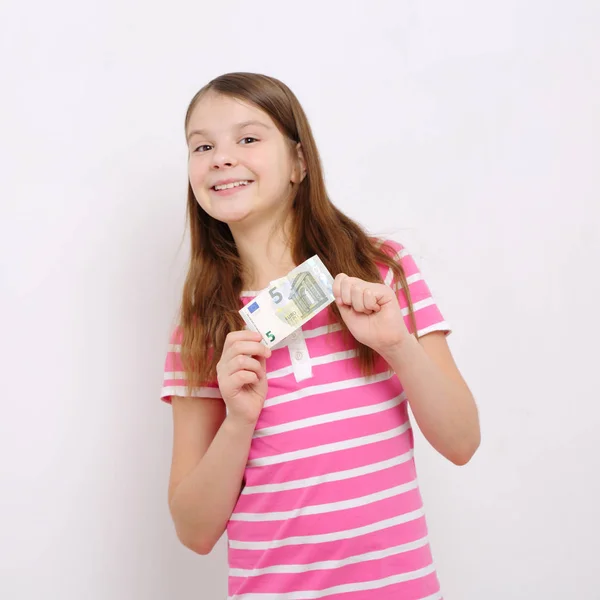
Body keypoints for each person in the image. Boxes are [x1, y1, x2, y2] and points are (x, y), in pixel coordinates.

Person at [161, 72, 480, 599]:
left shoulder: (383, 272)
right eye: (202, 146)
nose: (221, 157)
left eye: (247, 138)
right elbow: (194, 532)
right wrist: (239, 420)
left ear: (299, 163)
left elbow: (462, 441)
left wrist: (396, 345)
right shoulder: (201, 326)